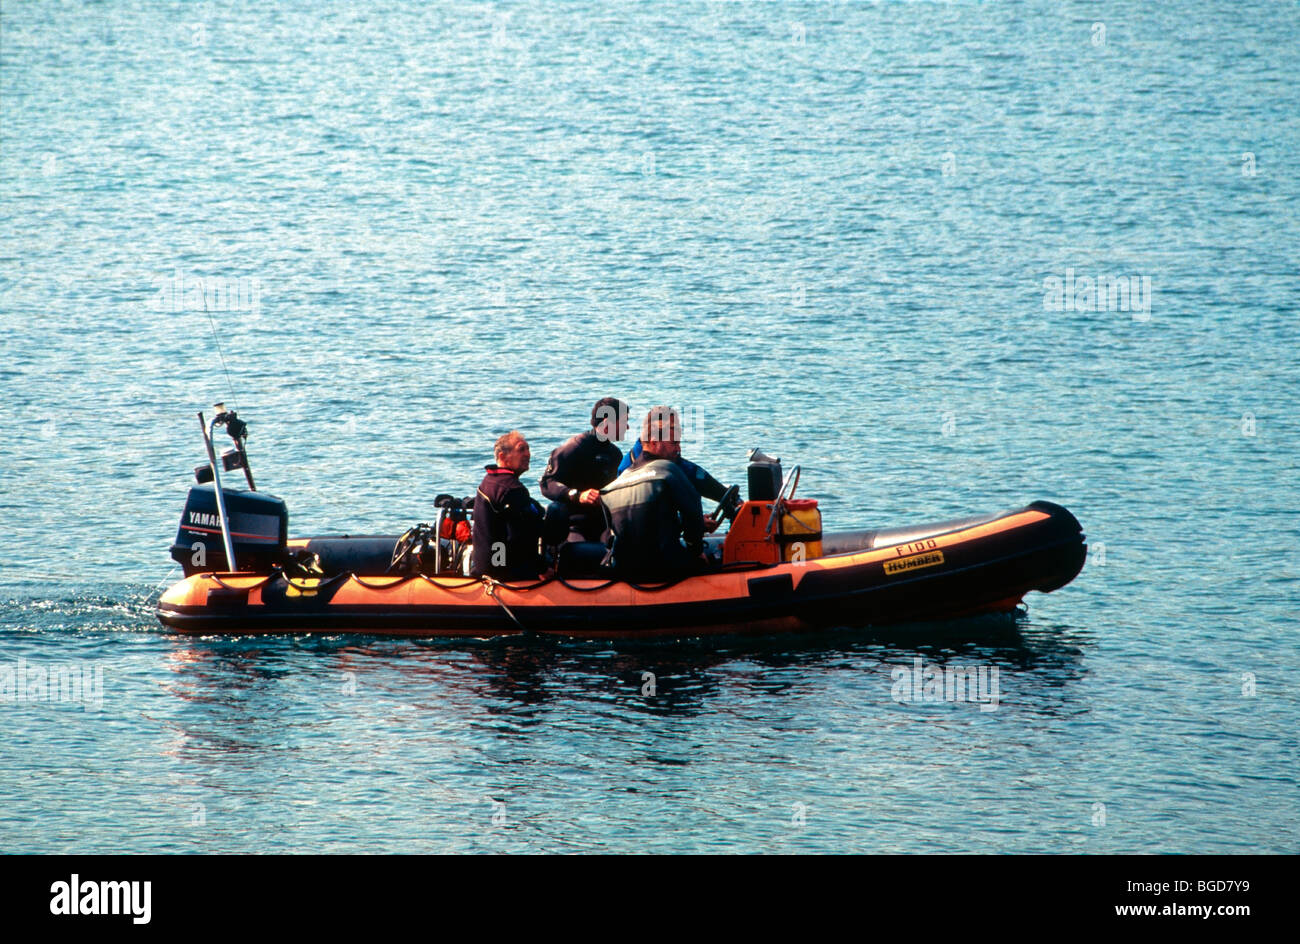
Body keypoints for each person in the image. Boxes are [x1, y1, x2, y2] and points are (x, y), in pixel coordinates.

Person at [600, 406, 707, 581]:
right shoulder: (668, 470)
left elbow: (632, 527)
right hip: (664, 567)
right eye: (674, 443)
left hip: (625, 571)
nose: (678, 449)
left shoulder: (610, 488)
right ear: (655, 442)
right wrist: (696, 551)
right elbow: (693, 512)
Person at [539, 397, 629, 543]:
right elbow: (547, 483)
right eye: (624, 422)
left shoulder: (615, 454)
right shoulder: (575, 448)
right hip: (575, 526)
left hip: (605, 525)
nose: (627, 427)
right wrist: (577, 495)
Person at [471, 431, 544, 579]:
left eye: (528, 449)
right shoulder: (512, 489)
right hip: (503, 569)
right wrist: (541, 568)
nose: (527, 454)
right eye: (521, 449)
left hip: (487, 564)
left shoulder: (490, 480)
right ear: (502, 457)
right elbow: (521, 536)